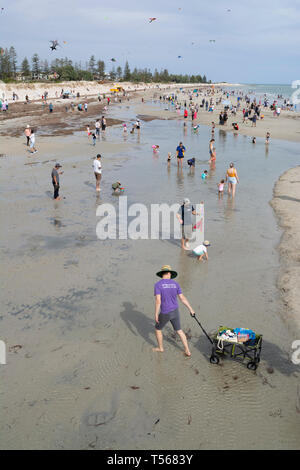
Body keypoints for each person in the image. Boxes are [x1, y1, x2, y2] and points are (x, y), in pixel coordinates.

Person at [153, 265, 195, 357]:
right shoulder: (176, 284)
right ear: (169, 274)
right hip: (175, 311)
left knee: (157, 329)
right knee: (179, 330)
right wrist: (191, 309)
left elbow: (158, 301)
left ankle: (160, 348)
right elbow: (182, 298)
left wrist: (156, 314)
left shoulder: (158, 285)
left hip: (165, 312)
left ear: (162, 274)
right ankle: (187, 350)